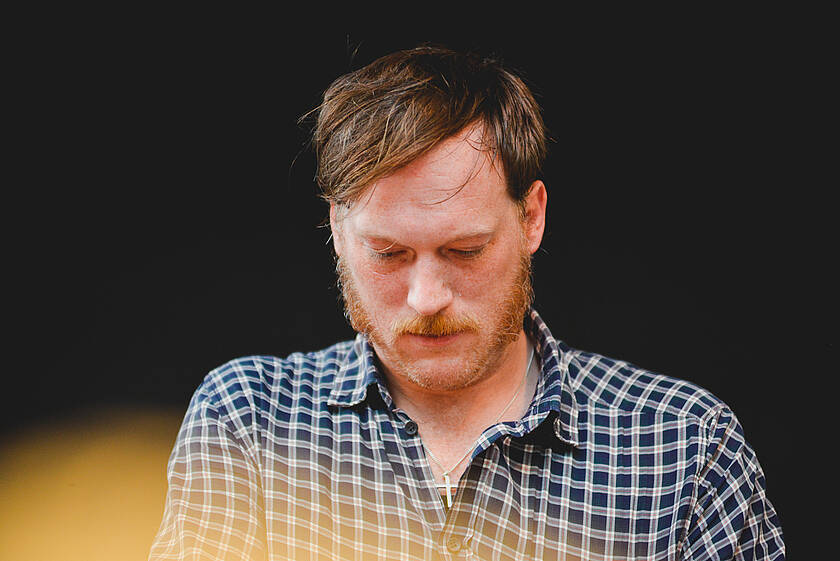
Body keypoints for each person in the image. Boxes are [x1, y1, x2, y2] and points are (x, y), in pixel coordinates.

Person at [149, 46, 784, 560]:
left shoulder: (683, 446)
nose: (427, 298)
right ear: (337, 229)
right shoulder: (251, 422)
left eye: (465, 250)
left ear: (531, 218)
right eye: (389, 254)